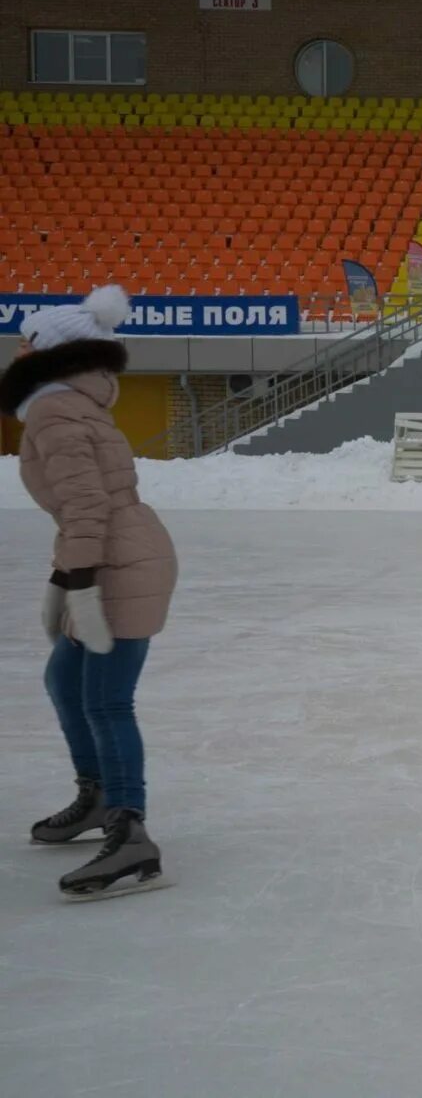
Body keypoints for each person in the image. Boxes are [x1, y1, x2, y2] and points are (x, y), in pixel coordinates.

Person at [0, 286, 179, 901]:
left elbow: (85, 504)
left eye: (29, 339)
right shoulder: (71, 403)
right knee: (63, 681)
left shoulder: (54, 409)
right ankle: (99, 793)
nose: (18, 346)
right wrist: (65, 575)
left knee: (107, 701)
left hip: (120, 565)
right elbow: (83, 505)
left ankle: (130, 832)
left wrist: (77, 583)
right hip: (114, 553)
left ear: (51, 351)